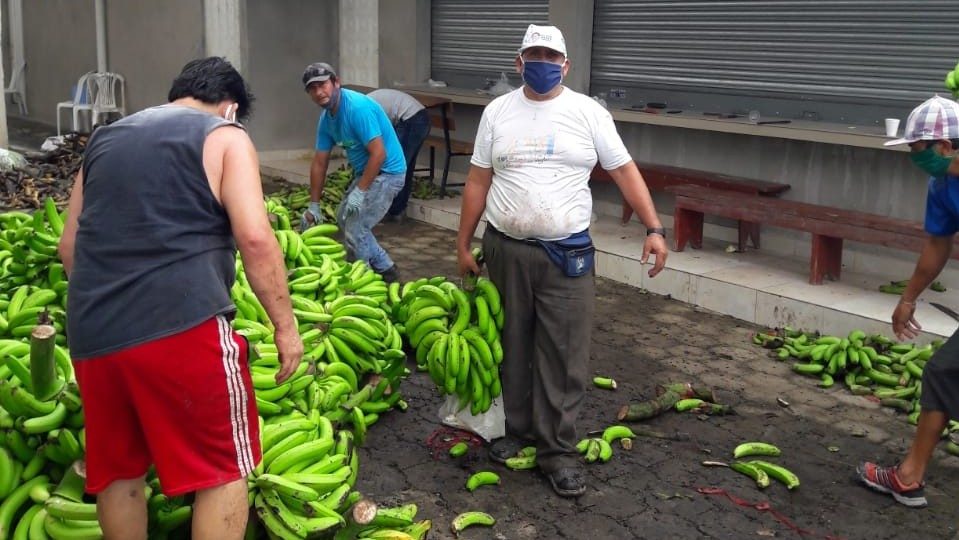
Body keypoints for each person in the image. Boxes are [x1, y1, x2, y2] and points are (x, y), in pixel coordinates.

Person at [58, 57, 303, 539]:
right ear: (230, 108)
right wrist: (285, 327)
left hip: (93, 333)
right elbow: (256, 238)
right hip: (183, 326)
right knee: (222, 469)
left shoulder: (103, 140)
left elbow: (70, 247)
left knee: (118, 473)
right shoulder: (225, 136)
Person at [455, 24, 668, 498]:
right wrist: (463, 244)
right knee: (512, 345)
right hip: (505, 248)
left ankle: (557, 452)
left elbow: (624, 170)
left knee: (564, 353)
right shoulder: (497, 112)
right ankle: (517, 431)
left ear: (566, 65)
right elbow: (477, 180)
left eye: (551, 57)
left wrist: (654, 228)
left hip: (566, 255)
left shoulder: (588, 113)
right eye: (533, 55)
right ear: (519, 62)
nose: (542, 63)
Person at [857, 94, 959, 508]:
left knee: (944, 371)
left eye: (918, 149)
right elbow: (938, 244)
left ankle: (908, 477)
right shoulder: (942, 186)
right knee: (945, 372)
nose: (914, 158)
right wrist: (908, 298)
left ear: (945, 147)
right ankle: (909, 477)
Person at [300, 62, 407, 282]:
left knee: (355, 227)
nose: (319, 92)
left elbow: (379, 154)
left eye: (323, 85)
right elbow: (320, 162)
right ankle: (386, 268)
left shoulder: (357, 109)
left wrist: (360, 191)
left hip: (388, 173)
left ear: (336, 82)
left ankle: (361, 280)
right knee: (343, 216)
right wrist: (314, 205)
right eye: (312, 88)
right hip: (368, 172)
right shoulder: (327, 119)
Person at [367, 88, 431, 222]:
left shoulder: (361, 112)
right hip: (418, 117)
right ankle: (397, 210)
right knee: (404, 166)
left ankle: (392, 210)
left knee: (396, 167)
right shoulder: (363, 104)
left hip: (411, 119)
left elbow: (376, 142)